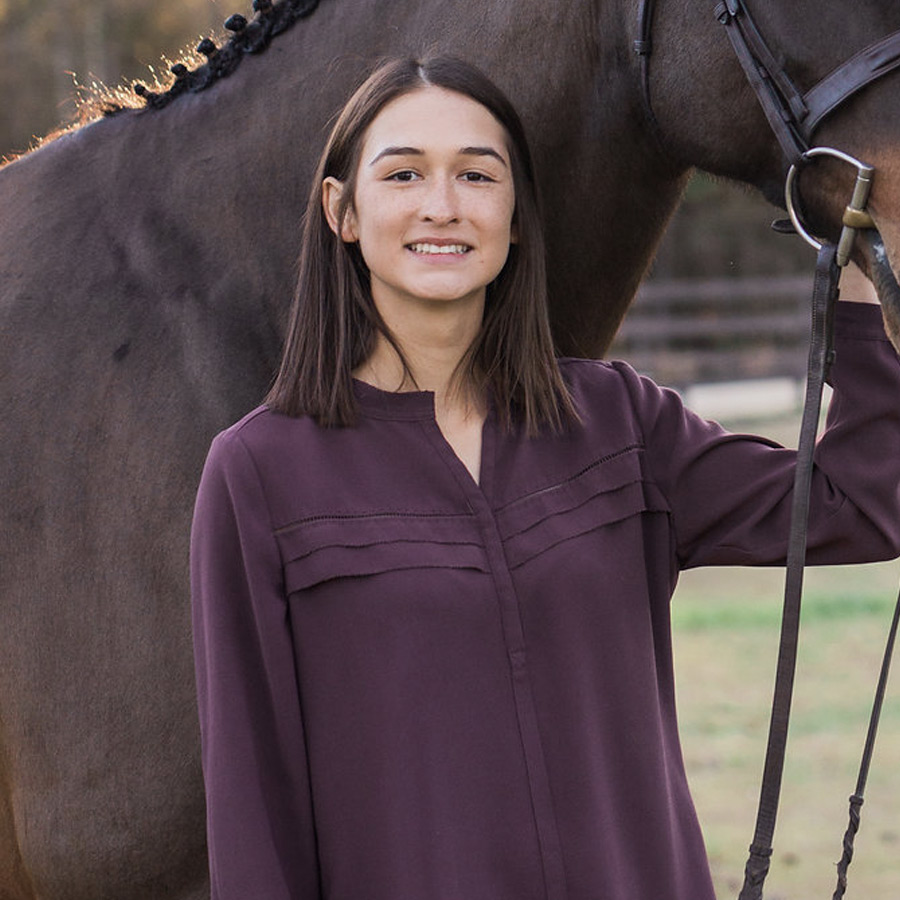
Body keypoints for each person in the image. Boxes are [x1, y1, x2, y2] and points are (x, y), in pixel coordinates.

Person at [189, 56, 900, 900]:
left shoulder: (617, 421)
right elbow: (253, 804)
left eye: (477, 175)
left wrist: (866, 252)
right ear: (343, 211)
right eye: (405, 173)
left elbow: (860, 502)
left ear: (517, 216)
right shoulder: (260, 472)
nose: (442, 204)